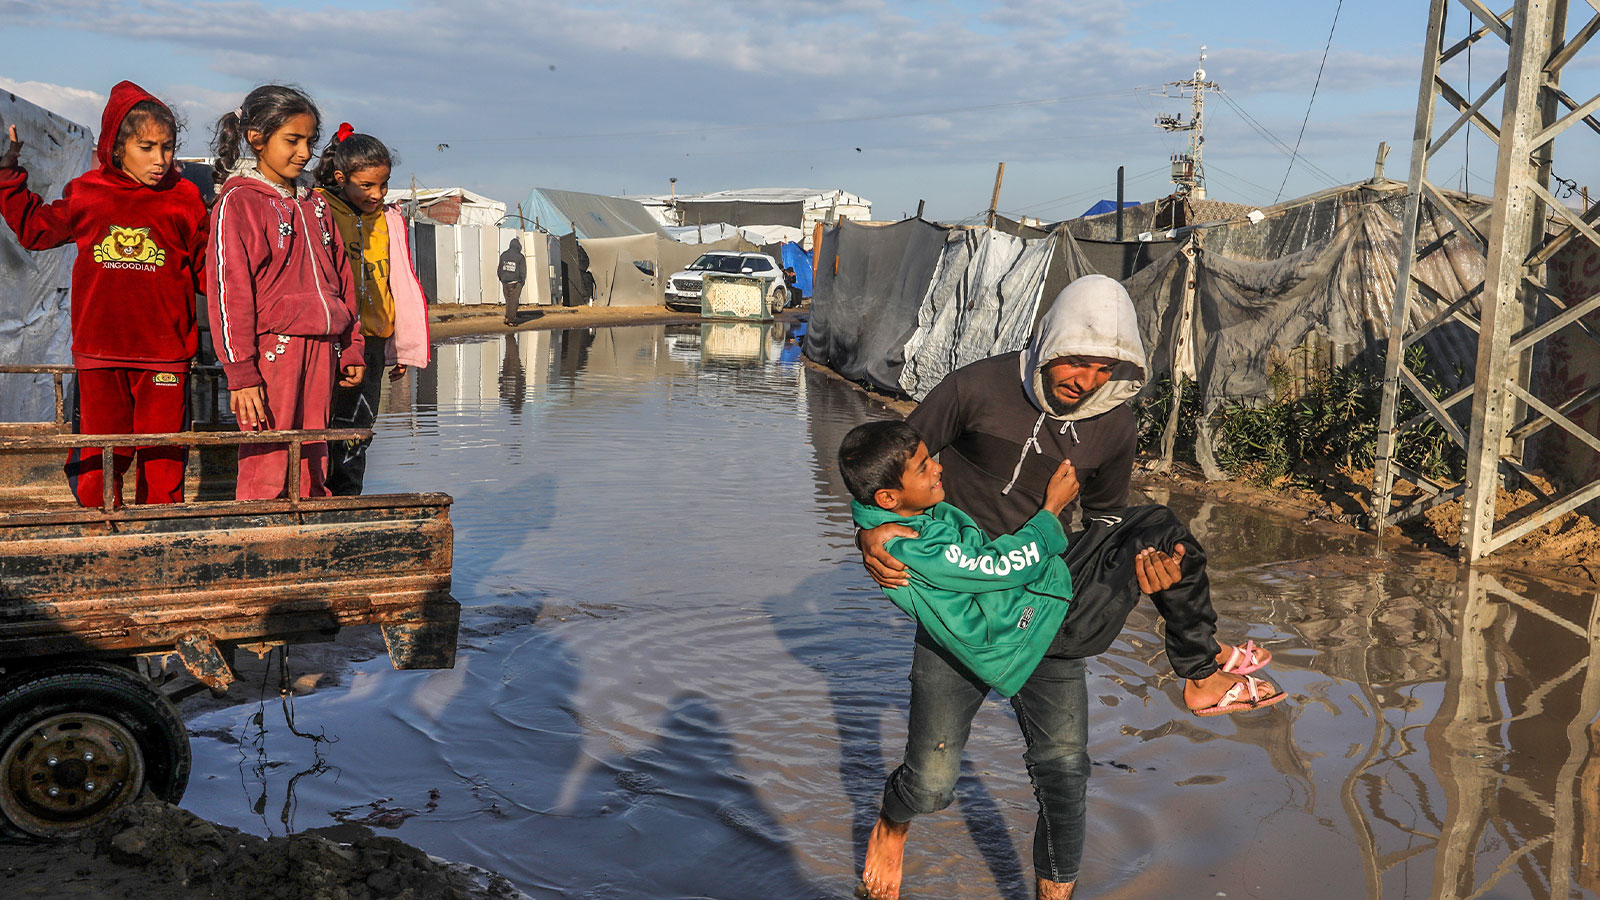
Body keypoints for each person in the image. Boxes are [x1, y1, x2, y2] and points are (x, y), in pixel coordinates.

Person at [855, 274, 1281, 900]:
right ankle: (892, 825)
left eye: (1103, 367)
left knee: (1064, 771)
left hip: (1042, 598)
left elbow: (1106, 519)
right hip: (964, 613)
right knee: (933, 782)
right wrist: (866, 531)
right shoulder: (977, 388)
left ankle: (1197, 669)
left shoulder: (1113, 422)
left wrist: (1139, 573)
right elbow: (892, 466)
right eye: (1075, 361)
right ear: (1049, 343)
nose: (1086, 380)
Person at [0, 82, 209, 507]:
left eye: (167, 147)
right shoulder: (88, 193)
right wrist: (8, 177)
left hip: (166, 353)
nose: (160, 160)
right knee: (101, 452)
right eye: (147, 147)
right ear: (117, 146)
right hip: (101, 353)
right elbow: (36, 230)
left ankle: (160, 534)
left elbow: (210, 272)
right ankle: (97, 528)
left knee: (164, 454)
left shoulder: (185, 199)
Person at [207, 85, 364, 501]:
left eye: (309, 141)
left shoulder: (316, 204)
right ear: (257, 138)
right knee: (269, 455)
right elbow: (229, 290)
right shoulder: (240, 202)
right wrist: (240, 373)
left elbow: (342, 280)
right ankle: (259, 534)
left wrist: (351, 345)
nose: (303, 152)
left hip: (323, 349)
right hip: (272, 352)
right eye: (292, 140)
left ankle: (307, 531)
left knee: (315, 453)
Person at [312, 124, 431, 495]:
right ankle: (316, 498)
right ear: (340, 177)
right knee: (321, 425)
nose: (377, 194)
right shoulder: (318, 211)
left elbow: (399, 284)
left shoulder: (388, 219)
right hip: (329, 341)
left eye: (384, 184)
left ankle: (348, 500)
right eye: (367, 186)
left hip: (374, 341)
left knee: (358, 429)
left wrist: (401, 344)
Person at [498, 237, 526, 327]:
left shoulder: (503, 255)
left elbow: (499, 269)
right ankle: (511, 320)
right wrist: (522, 281)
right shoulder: (520, 257)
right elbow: (523, 271)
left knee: (508, 300)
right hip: (516, 282)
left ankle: (507, 317)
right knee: (514, 301)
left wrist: (501, 278)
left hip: (505, 281)